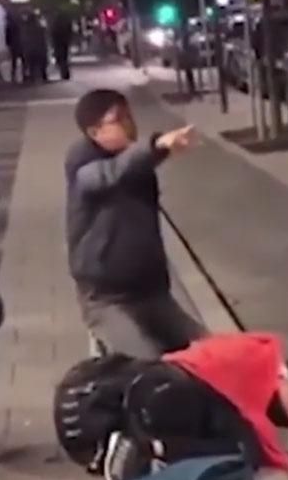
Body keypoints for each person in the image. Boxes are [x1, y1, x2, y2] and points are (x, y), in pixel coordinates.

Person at [65, 89, 207, 360]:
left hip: (152, 291)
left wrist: (161, 149)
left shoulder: (132, 160)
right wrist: (156, 146)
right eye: (119, 119)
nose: (130, 124)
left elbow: (134, 163)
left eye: (129, 115)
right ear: (95, 132)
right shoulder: (82, 162)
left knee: (209, 352)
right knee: (148, 368)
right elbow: (108, 175)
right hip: (106, 300)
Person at [88, 333, 288, 480]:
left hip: (161, 384)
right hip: (178, 388)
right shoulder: (269, 354)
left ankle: (142, 454)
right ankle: (146, 450)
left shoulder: (243, 357)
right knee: (244, 451)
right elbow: (279, 383)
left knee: (216, 437)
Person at [50, 8, 74, 81]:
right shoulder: (66, 22)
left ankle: (64, 73)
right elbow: (70, 31)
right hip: (64, 42)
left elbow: (53, 33)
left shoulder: (55, 23)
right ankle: (65, 73)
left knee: (61, 58)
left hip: (58, 43)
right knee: (64, 58)